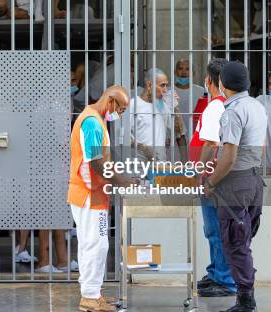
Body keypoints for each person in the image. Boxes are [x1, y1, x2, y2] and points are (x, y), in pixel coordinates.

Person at [203, 61, 267, 312]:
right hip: (254, 181)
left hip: (236, 184)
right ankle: (245, 292)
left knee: (234, 242)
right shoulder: (257, 106)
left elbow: (228, 158)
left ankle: (245, 300)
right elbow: (261, 147)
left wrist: (210, 182)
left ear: (222, 84)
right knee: (243, 239)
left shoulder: (231, 112)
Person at [67, 85, 130, 312]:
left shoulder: (94, 119)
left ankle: (91, 294)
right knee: (97, 244)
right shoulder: (92, 122)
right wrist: (121, 180)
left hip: (90, 192)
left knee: (89, 244)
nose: (120, 114)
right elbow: (95, 161)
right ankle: (91, 298)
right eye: (120, 109)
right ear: (110, 101)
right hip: (89, 194)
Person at [189, 59, 238, 298]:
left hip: (212, 179)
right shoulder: (230, 105)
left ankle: (224, 279)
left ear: (210, 81)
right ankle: (217, 272)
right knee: (216, 229)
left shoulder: (215, 107)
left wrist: (200, 175)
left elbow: (210, 144)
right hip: (222, 178)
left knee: (216, 229)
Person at [130, 68, 185, 162]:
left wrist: (175, 108)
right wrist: (144, 148)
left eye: (166, 85)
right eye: (162, 85)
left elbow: (179, 132)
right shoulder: (133, 105)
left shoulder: (164, 105)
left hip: (160, 164)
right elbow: (125, 137)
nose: (165, 90)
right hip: (139, 164)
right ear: (149, 85)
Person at [174, 58, 206, 141]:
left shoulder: (201, 91)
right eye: (180, 68)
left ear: (193, 73)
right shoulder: (169, 92)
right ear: (175, 71)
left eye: (188, 69)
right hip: (175, 139)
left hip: (196, 137)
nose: (184, 72)